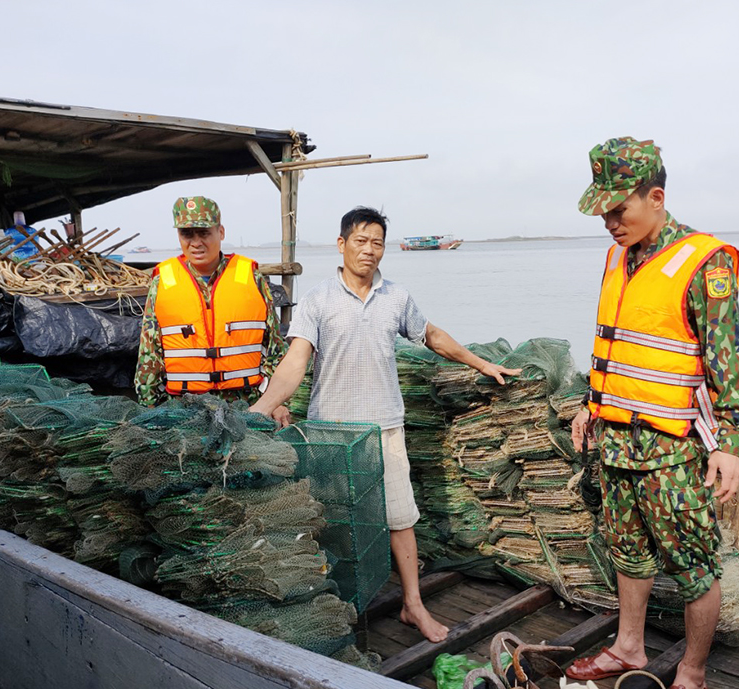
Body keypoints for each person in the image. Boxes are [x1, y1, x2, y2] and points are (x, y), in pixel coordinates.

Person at [250, 206, 520, 643]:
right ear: (341, 245)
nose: (369, 250)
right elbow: (295, 362)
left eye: (377, 242)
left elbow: (430, 336)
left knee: (400, 519)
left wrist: (480, 362)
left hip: (386, 429)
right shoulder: (318, 299)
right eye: (361, 240)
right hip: (332, 435)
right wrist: (260, 409)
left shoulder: (396, 297)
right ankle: (327, 606)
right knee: (329, 519)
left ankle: (413, 606)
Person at [565, 138, 739, 689]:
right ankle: (629, 647)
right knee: (628, 551)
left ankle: (692, 679)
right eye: (601, 210)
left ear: (656, 197)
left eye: (618, 208)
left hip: (671, 450)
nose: (608, 221)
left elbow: (730, 362)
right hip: (617, 442)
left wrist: (730, 443)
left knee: (695, 566)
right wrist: (590, 404)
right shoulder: (617, 257)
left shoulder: (705, 262)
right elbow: (618, 347)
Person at [134, 196, 290, 425]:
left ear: (221, 232)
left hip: (247, 406)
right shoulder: (163, 281)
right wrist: (149, 410)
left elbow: (275, 347)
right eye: (187, 234)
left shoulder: (250, 276)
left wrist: (276, 401)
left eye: (204, 233)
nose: (196, 242)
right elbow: (150, 355)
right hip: (184, 408)